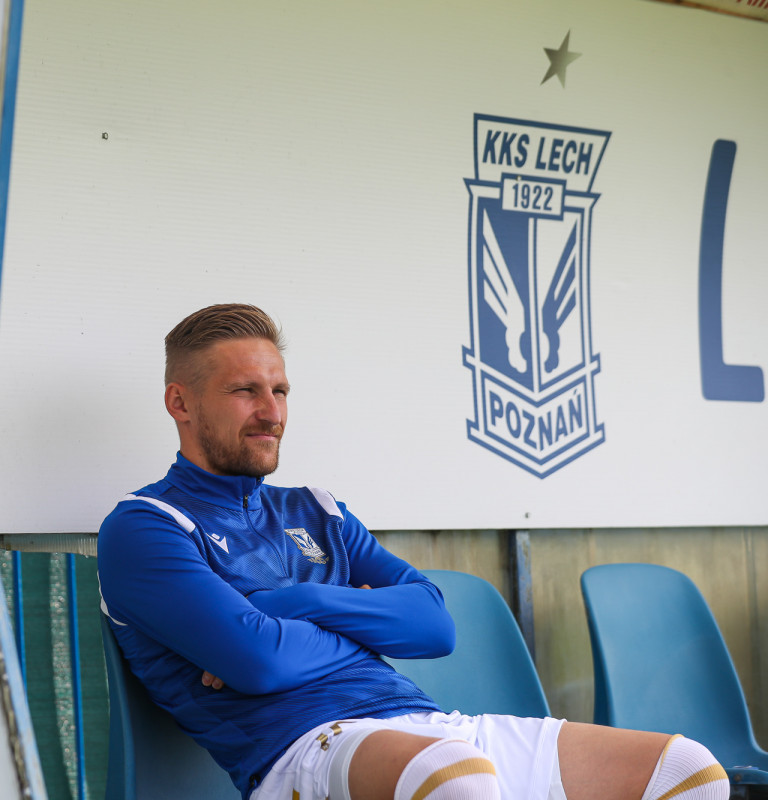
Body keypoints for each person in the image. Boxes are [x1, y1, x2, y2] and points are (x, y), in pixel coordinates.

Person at [96, 303, 728, 800]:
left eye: (280, 390)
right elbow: (261, 662)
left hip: (427, 723)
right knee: (454, 778)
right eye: (245, 391)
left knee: (688, 771)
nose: (272, 412)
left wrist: (289, 605)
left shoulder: (316, 508)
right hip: (302, 749)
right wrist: (359, 622)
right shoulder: (146, 526)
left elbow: (434, 624)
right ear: (180, 402)